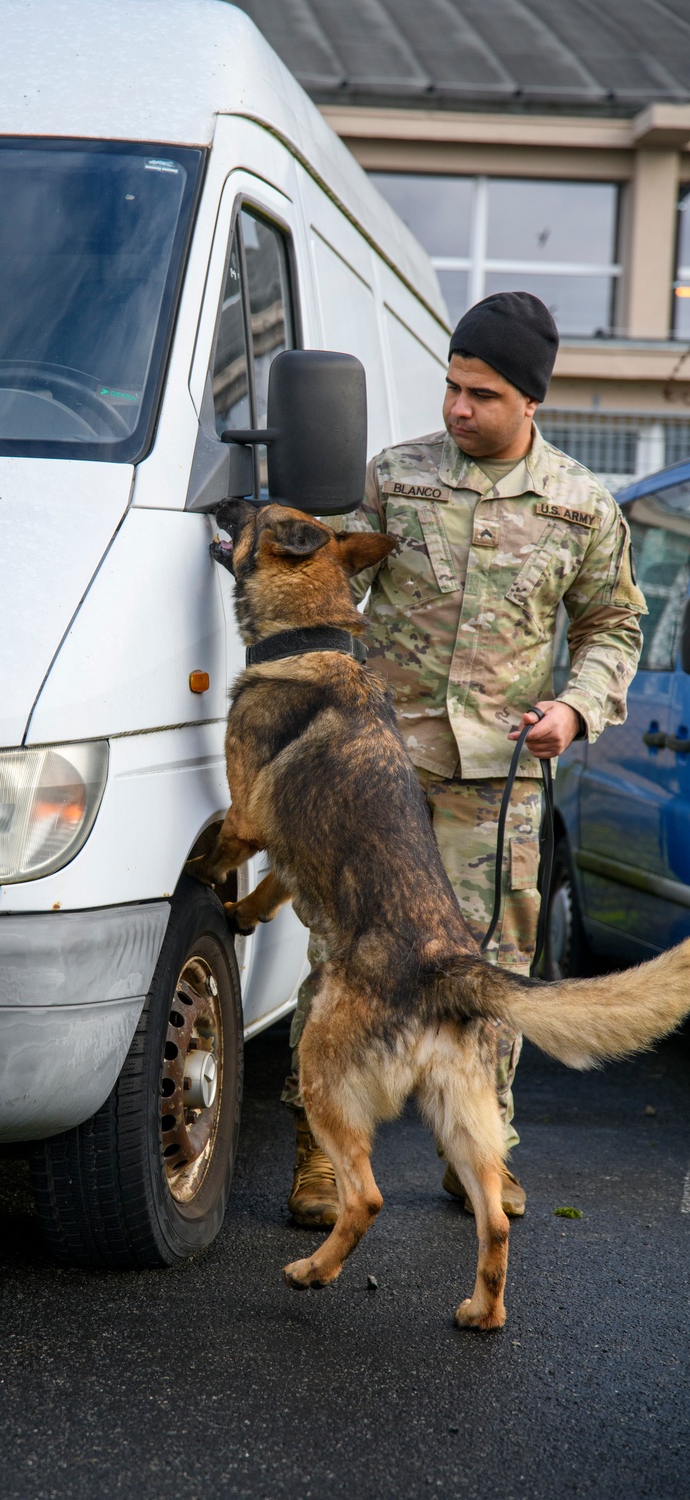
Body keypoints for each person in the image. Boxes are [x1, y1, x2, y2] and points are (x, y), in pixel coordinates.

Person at [284, 290, 647, 1225]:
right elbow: (324, 580)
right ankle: (325, 1156)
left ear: (531, 401)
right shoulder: (395, 480)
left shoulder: (581, 506)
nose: (456, 409)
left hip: (500, 781)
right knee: (342, 955)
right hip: (376, 774)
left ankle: (480, 1154)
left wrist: (574, 705)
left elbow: (613, 625)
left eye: (480, 394)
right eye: (451, 387)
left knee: (493, 969)